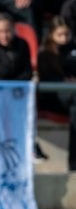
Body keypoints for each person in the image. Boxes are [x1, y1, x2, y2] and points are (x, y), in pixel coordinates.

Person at [36, 17, 76, 171]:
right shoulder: (45, 52)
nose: (64, 38)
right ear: (52, 34)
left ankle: (73, 164)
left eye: (67, 34)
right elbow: (48, 78)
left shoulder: (73, 49)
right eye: (60, 35)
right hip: (53, 99)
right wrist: (66, 82)